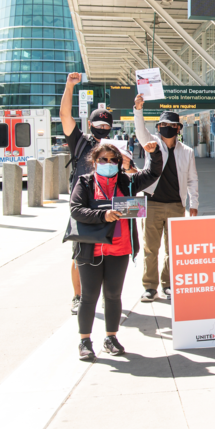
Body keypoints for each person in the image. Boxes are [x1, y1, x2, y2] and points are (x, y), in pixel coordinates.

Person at [70, 139, 162, 360]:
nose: (109, 163)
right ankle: (84, 341)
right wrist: (103, 215)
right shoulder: (85, 182)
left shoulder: (127, 182)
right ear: (95, 161)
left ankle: (111, 337)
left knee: (113, 295)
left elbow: (153, 174)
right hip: (91, 250)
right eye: (104, 159)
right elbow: (76, 210)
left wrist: (155, 153)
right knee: (89, 297)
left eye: (113, 160)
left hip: (120, 248)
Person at [60, 72, 116, 316]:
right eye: (98, 125)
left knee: (106, 252)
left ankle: (103, 297)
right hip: (83, 206)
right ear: (90, 125)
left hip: (107, 207)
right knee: (80, 253)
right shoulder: (80, 142)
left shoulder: (115, 149)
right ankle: (78, 296)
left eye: (106, 126)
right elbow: (64, 116)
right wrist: (70, 86)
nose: (102, 128)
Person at [133, 96, 199, 302]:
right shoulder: (151, 144)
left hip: (176, 206)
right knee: (150, 248)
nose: (167, 128)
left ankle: (168, 284)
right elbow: (139, 131)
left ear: (179, 129)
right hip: (151, 203)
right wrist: (138, 109)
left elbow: (192, 179)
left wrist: (193, 204)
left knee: (174, 249)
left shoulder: (187, 151)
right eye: (163, 125)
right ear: (158, 127)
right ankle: (150, 286)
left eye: (172, 125)